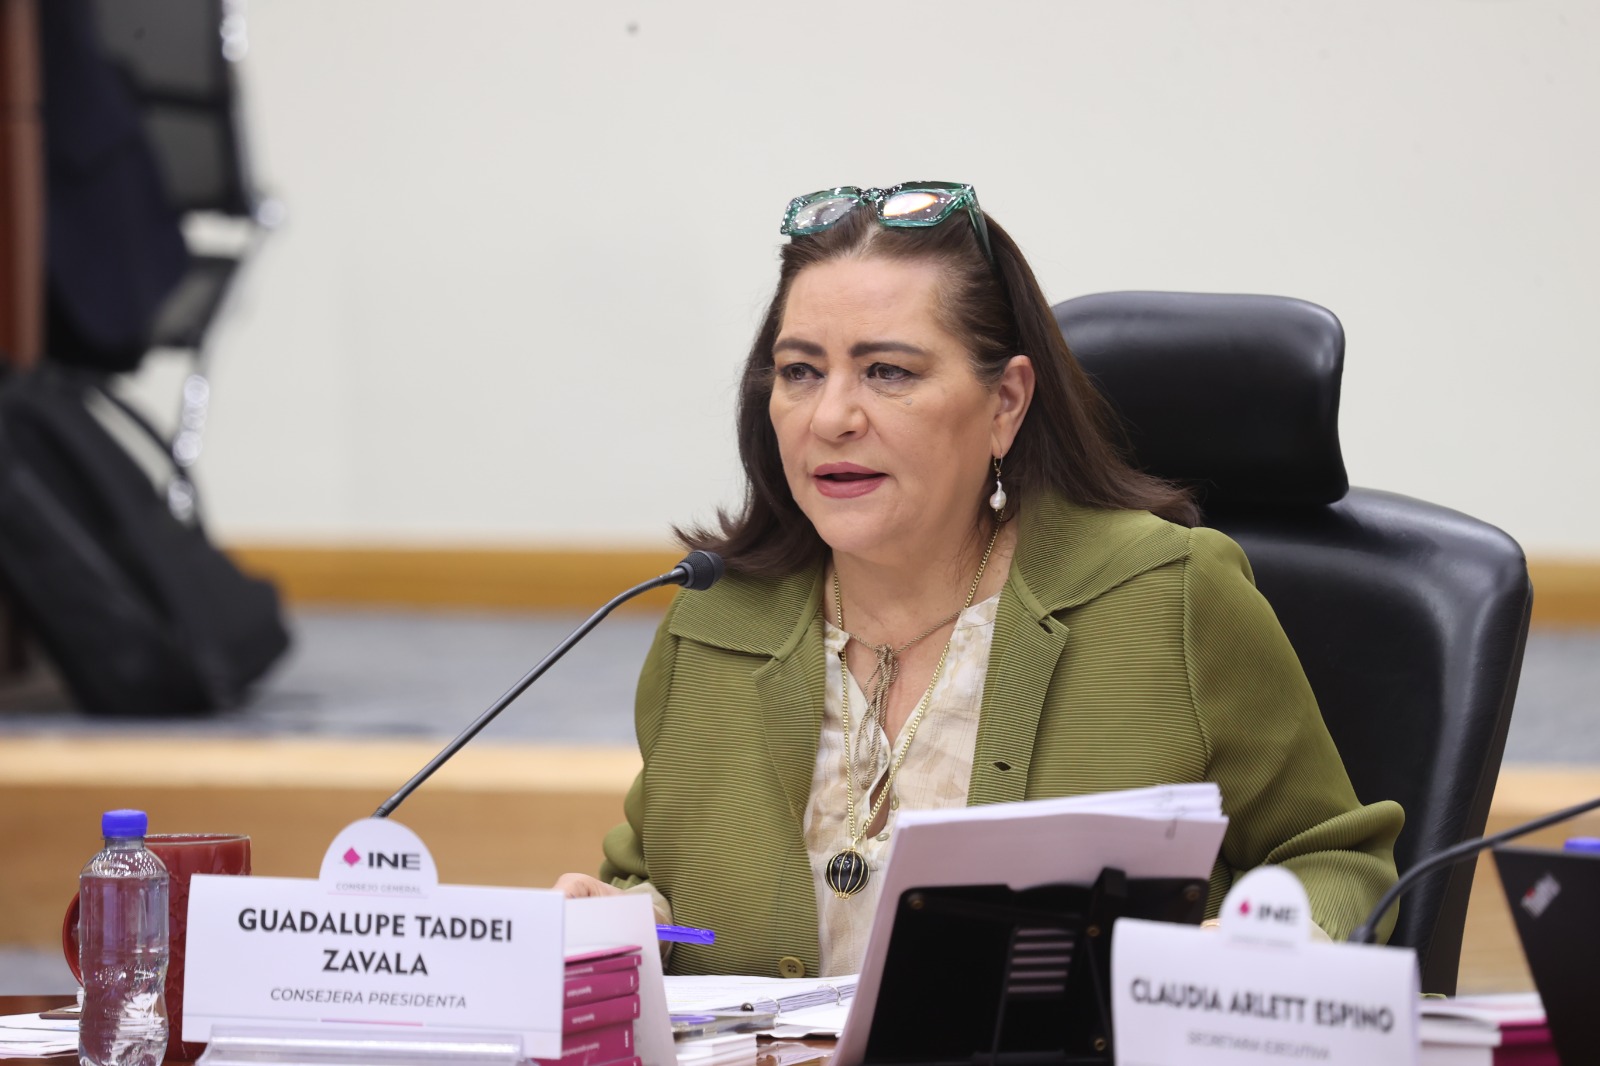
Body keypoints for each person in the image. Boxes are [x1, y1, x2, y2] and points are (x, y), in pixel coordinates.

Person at [556, 181, 1402, 978]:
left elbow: (1336, 859)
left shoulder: (1165, 597)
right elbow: (659, 889)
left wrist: (1264, 943)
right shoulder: (715, 622)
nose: (831, 416)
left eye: (888, 372)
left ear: (1006, 403)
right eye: (801, 371)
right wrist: (619, 918)